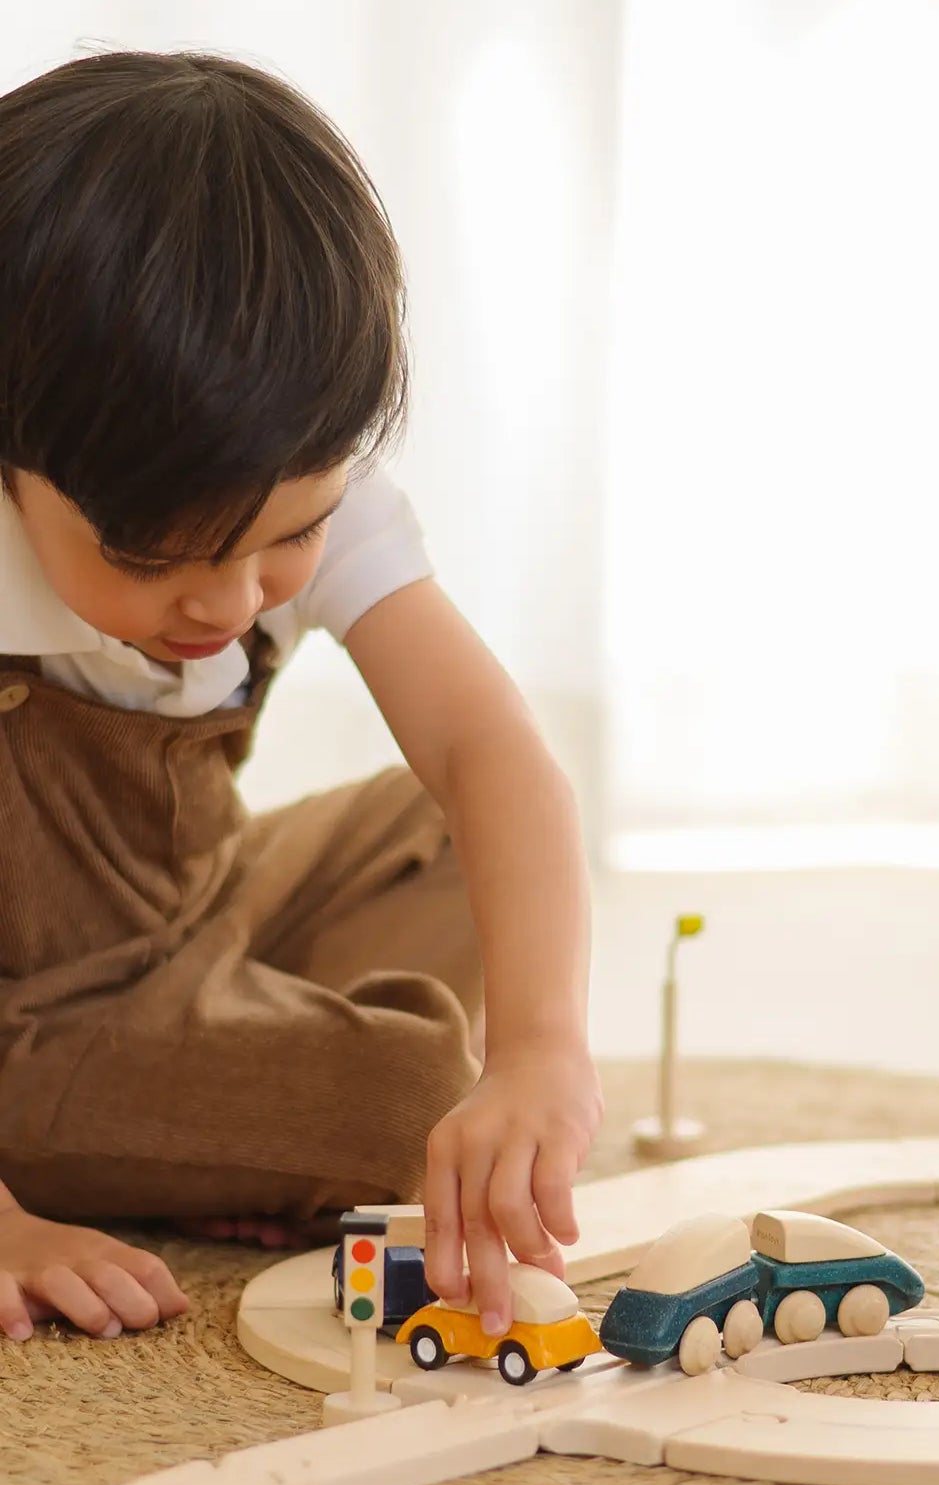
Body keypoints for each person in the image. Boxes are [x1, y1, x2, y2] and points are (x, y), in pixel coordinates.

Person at [0, 49, 601, 1345]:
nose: (229, 600)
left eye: (290, 538)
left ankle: (203, 1095)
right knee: (407, 1095)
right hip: (32, 1021)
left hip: (201, 911)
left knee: (456, 819)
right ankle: (148, 1124)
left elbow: (484, 746)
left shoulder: (295, 473)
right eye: (153, 559)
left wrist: (542, 1048)